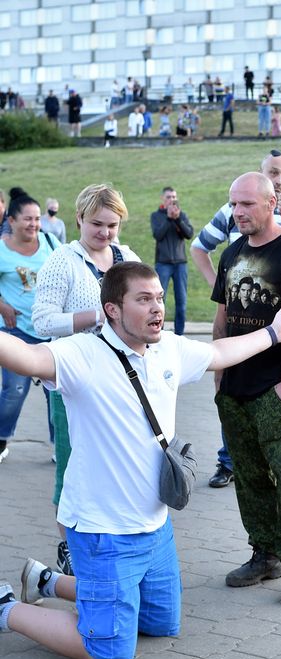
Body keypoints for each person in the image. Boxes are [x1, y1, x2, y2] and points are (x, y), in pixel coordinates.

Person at [0, 261, 281, 659]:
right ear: (113, 309)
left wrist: (275, 334)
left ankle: (48, 581)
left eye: (160, 298)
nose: (157, 308)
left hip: (155, 527)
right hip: (104, 531)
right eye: (143, 299)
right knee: (109, 652)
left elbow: (219, 353)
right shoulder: (83, 355)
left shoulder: (168, 348)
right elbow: (26, 356)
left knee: (161, 623)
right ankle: (7, 609)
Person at [211, 172, 281, 605]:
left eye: (246, 205)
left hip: (277, 386)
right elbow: (222, 318)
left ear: (271, 202)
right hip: (234, 385)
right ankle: (264, 552)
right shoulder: (232, 252)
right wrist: (219, 374)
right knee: (249, 474)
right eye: (233, 205)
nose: (238, 213)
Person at [190, 149, 281, 488]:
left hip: (279, 376)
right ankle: (229, 466)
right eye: (274, 171)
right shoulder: (232, 225)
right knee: (251, 480)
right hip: (237, 365)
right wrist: (220, 288)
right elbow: (199, 249)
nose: (280, 178)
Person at [32, 184, 139, 576]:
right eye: (97, 223)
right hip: (73, 384)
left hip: (122, 380)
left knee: (115, 463)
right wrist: (98, 316)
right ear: (78, 219)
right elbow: (41, 321)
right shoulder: (63, 261)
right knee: (72, 466)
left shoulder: (127, 257)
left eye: (113, 224)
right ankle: (69, 549)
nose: (106, 233)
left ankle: (113, 539)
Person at [0, 189, 60, 466]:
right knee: (14, 390)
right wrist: (2, 305)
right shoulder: (1, 248)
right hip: (15, 332)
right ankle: (1, 439)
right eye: (27, 219)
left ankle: (60, 444)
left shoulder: (50, 242)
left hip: (49, 331)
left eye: (37, 219)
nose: (34, 224)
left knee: (56, 392)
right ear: (11, 220)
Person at [151, 187, 193, 336]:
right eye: (168, 197)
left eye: (174, 196)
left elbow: (189, 234)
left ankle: (179, 335)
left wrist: (177, 219)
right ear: (163, 198)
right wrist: (169, 219)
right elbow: (158, 235)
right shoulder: (156, 216)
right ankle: (158, 333)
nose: (171, 199)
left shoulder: (182, 215)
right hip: (163, 264)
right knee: (159, 300)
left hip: (180, 264)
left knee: (181, 303)